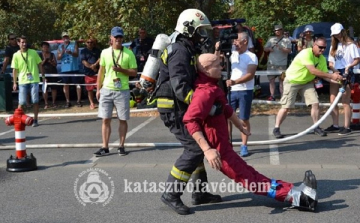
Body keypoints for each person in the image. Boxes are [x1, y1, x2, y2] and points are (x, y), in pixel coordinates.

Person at [184, 53, 319, 212]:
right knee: (252, 181)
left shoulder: (212, 87)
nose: (222, 67)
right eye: (217, 65)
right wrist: (207, 150)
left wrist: (239, 125)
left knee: (252, 175)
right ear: (206, 70)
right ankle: (299, 199)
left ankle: (293, 190)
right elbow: (190, 121)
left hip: (225, 148)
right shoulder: (204, 93)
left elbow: (225, 108)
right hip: (220, 153)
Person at [156, 9, 222, 215]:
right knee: (194, 149)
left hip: (181, 107)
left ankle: (200, 193)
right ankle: (171, 194)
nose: (201, 36)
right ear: (188, 28)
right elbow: (181, 87)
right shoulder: (179, 51)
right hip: (173, 109)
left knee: (200, 148)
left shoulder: (187, 49)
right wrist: (206, 108)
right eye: (198, 31)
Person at [272, 37, 343, 139]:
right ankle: (276, 128)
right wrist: (332, 76)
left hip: (306, 82)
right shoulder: (306, 53)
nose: (322, 50)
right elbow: (313, 70)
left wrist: (339, 80)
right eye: (320, 47)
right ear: (314, 45)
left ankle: (316, 127)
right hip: (292, 81)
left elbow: (325, 76)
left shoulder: (322, 58)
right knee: (286, 107)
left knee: (315, 103)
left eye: (324, 48)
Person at [93, 26, 137, 156]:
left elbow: (134, 72)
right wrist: (98, 88)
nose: (118, 39)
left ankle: (121, 146)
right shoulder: (105, 52)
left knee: (122, 119)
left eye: (120, 37)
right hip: (107, 89)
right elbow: (101, 71)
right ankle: (105, 146)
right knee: (105, 119)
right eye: (116, 37)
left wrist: (121, 70)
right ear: (111, 38)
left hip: (122, 90)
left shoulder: (129, 53)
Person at [215, 32, 257, 157]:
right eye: (234, 40)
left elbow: (250, 75)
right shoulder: (231, 54)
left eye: (237, 40)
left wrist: (234, 82)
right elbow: (215, 61)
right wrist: (217, 49)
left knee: (244, 118)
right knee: (228, 117)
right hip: (232, 90)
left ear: (245, 41)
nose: (234, 42)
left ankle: (244, 145)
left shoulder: (251, 56)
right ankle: (228, 144)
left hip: (245, 90)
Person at [325, 23, 360, 135]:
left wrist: (349, 67)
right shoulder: (333, 46)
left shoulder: (351, 45)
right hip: (336, 72)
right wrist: (334, 69)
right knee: (333, 100)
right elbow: (331, 61)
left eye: (338, 33)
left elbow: (356, 59)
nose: (337, 36)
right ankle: (335, 125)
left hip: (347, 73)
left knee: (345, 100)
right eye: (335, 35)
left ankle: (347, 126)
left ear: (343, 32)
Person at [11, 35, 44, 127]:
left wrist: (43, 76)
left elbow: (40, 64)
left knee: (35, 100)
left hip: (34, 80)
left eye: (25, 42)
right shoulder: (16, 55)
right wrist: (14, 82)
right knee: (21, 102)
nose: (24, 44)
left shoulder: (33, 52)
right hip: (22, 81)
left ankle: (36, 120)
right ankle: (18, 119)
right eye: (22, 42)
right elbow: (15, 70)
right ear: (18, 43)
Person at [264, 24, 292, 101]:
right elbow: (265, 48)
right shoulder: (271, 39)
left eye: (279, 30)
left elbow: (289, 51)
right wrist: (269, 49)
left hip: (282, 64)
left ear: (282, 30)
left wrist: (281, 48)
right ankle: (272, 96)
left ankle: (282, 97)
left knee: (282, 81)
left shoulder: (287, 40)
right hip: (271, 63)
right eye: (276, 30)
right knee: (271, 80)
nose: (277, 31)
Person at [57, 31, 82, 108]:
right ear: (62, 38)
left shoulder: (74, 44)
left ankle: (78, 101)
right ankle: (68, 101)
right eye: (64, 37)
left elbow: (77, 54)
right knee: (66, 85)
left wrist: (71, 53)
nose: (66, 39)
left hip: (74, 68)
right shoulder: (60, 46)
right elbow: (58, 58)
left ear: (69, 38)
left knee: (77, 84)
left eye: (67, 37)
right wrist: (62, 53)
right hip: (64, 69)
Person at [81, 37, 101, 110]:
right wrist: (91, 66)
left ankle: (101, 102)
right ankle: (92, 103)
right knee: (90, 90)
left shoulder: (97, 50)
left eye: (91, 42)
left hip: (97, 73)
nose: (89, 44)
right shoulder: (83, 51)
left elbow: (100, 58)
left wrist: (95, 65)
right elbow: (83, 61)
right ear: (86, 43)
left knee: (100, 88)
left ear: (94, 43)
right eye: (88, 42)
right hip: (88, 73)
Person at [39, 41, 59, 109]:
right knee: (45, 89)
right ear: (42, 48)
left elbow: (55, 64)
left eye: (47, 47)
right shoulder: (40, 55)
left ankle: (54, 102)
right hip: (44, 73)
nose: (46, 48)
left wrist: (51, 62)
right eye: (44, 47)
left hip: (53, 73)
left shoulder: (52, 54)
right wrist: (44, 60)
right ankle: (46, 103)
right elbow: (39, 64)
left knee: (54, 88)